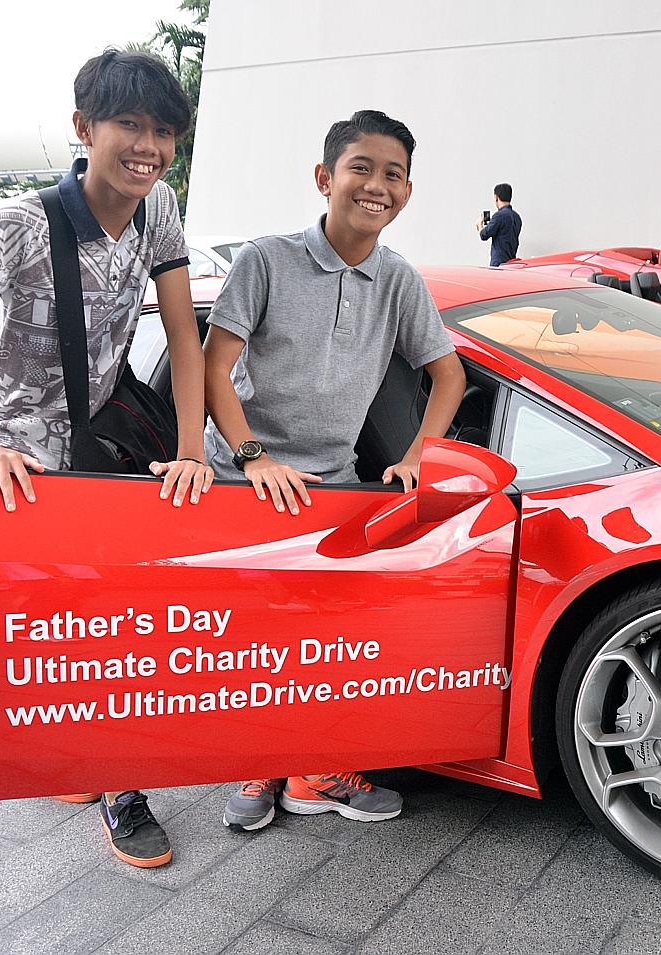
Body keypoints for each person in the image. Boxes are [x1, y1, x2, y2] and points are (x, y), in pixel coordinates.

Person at [0, 49, 214, 869]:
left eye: (164, 131)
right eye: (131, 126)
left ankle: (99, 766)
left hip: (100, 444)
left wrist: (189, 452)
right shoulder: (19, 223)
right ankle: (111, 782)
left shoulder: (159, 207)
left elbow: (182, 337)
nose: (148, 147)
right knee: (69, 628)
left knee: (114, 621)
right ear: (85, 129)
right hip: (22, 462)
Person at [202, 109, 466, 831]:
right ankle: (259, 765)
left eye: (393, 174)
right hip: (242, 480)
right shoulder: (266, 259)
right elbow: (213, 368)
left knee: (322, 640)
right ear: (325, 178)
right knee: (254, 636)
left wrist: (418, 457)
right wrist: (255, 457)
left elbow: (449, 375)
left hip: (333, 484)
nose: (376, 185)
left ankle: (314, 772)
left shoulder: (398, 280)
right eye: (361, 168)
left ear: (407, 191)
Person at [476, 182, 522, 266]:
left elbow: (484, 235)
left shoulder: (499, 216)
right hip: (512, 262)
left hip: (499, 263)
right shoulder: (517, 217)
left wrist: (480, 226)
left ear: (496, 197)